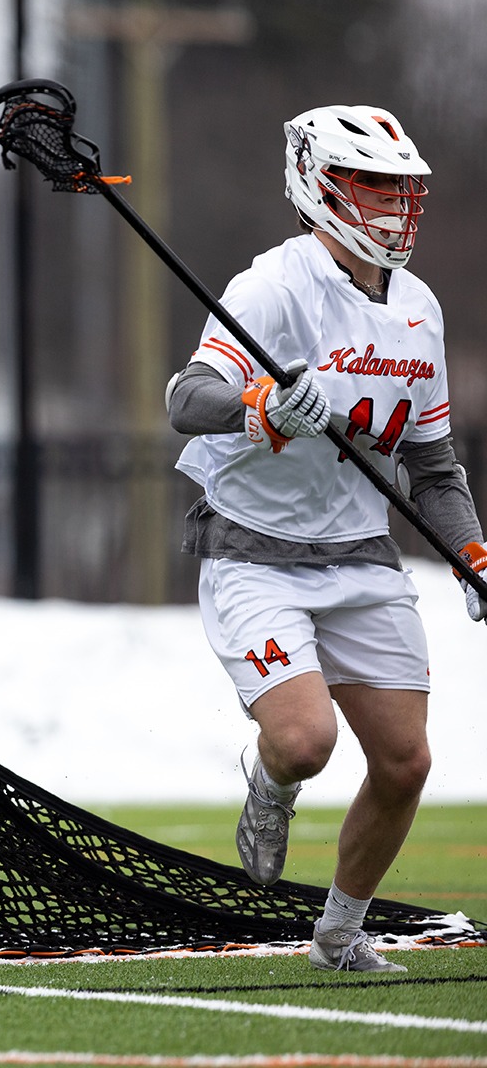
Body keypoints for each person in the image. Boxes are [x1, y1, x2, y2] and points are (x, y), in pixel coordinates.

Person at [166, 106, 483, 973]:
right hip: (254, 548)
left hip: (361, 552)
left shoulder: (419, 308)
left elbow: (435, 465)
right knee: (306, 741)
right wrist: (261, 405)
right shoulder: (273, 285)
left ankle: (339, 932)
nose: (395, 206)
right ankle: (269, 788)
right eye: (374, 185)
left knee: (407, 760)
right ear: (320, 187)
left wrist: (473, 554)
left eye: (403, 188)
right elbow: (185, 402)